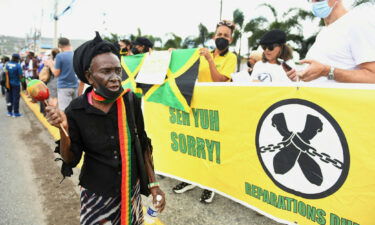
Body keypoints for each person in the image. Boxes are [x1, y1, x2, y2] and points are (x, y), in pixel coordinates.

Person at [45, 32, 165, 225]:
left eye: (118, 70)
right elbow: (70, 159)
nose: (115, 78)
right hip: (97, 196)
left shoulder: (130, 101)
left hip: (130, 192)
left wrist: (154, 186)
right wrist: (63, 128)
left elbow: (142, 143)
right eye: (106, 71)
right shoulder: (77, 110)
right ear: (89, 76)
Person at [173, 20, 237, 204]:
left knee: (211, 148)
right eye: (219, 35)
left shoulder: (230, 58)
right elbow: (183, 68)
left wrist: (210, 60)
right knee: (193, 144)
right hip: (196, 106)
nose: (222, 38)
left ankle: (210, 185)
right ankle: (190, 179)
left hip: (216, 108)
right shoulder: (200, 55)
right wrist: (174, 55)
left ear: (231, 39)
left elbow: (219, 81)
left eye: (226, 35)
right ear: (213, 37)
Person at [287, 0, 375, 83]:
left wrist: (327, 71)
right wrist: (300, 76)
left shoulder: (357, 24)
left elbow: (372, 76)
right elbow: (322, 76)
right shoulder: (323, 33)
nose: (314, 2)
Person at [46, 37, 79, 110]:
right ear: (69, 44)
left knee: (64, 111)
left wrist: (51, 65)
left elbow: (56, 73)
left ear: (60, 46)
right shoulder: (76, 54)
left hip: (64, 87)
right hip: (75, 86)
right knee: (73, 110)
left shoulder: (60, 56)